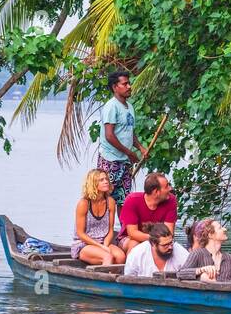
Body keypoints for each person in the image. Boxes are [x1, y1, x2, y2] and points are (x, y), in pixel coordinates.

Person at [98, 70, 145, 207]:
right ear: (115, 87)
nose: (129, 86)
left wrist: (140, 148)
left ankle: (124, 228)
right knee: (105, 199)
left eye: (129, 83)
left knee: (123, 200)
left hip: (124, 162)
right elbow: (109, 135)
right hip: (110, 160)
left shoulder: (129, 107)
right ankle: (106, 229)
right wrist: (129, 153)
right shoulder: (111, 106)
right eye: (125, 84)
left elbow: (129, 131)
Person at [72, 169, 125, 266]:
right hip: (84, 244)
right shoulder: (84, 203)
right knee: (107, 256)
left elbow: (110, 230)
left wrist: (104, 245)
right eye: (101, 180)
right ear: (93, 183)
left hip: (103, 242)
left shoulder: (110, 202)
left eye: (106, 179)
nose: (106, 181)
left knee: (121, 257)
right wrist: (100, 247)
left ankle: (110, 276)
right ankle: (105, 279)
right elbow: (80, 234)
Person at [119, 172, 178, 252]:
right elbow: (132, 233)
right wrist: (156, 238)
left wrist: (159, 240)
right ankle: (131, 264)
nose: (170, 189)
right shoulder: (132, 200)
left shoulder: (171, 200)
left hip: (160, 240)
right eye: (167, 186)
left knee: (168, 247)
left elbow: (169, 232)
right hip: (129, 239)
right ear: (156, 192)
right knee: (135, 245)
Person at [121, 222, 189, 278]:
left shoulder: (181, 253)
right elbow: (129, 278)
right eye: (165, 245)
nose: (170, 247)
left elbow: (190, 273)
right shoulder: (137, 253)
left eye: (171, 243)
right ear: (153, 244)